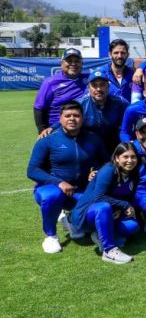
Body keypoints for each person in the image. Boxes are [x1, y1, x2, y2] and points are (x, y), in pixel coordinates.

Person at [27, 101, 107, 253]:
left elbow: (106, 162)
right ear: (60, 118)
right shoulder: (47, 140)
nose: (72, 119)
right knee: (52, 195)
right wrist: (58, 182)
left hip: (81, 191)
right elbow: (32, 170)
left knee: (100, 208)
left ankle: (74, 221)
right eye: (67, 116)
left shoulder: (93, 138)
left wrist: (96, 171)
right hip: (52, 189)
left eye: (76, 115)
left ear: (82, 118)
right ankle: (50, 236)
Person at [69, 142, 141, 264]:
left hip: (109, 211)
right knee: (103, 207)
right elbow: (99, 197)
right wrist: (124, 206)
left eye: (133, 157)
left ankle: (98, 234)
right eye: (125, 157)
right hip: (86, 213)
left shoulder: (133, 173)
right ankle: (109, 251)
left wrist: (120, 208)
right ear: (117, 158)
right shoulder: (108, 170)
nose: (130, 160)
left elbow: (128, 197)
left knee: (132, 226)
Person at [38, 70, 129, 152]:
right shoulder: (80, 104)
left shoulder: (120, 103)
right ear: (88, 88)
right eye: (94, 85)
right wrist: (52, 128)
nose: (98, 89)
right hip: (88, 148)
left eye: (102, 85)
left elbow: (131, 118)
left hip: (114, 147)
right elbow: (67, 120)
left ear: (108, 87)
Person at [33, 48, 89, 132]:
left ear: (82, 64)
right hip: (58, 130)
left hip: (84, 129)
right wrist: (42, 130)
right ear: (61, 64)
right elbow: (39, 108)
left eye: (77, 61)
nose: (73, 64)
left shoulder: (90, 80)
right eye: (69, 61)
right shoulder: (50, 82)